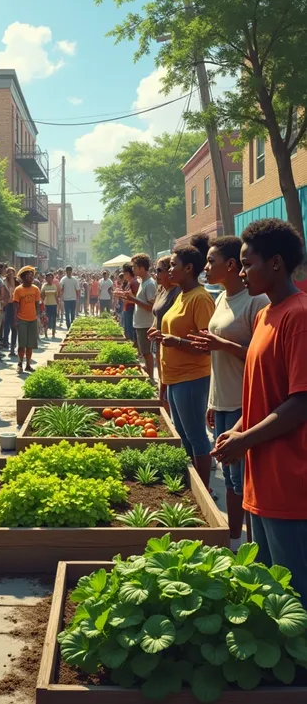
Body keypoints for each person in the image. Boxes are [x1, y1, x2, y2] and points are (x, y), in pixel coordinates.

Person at [213, 219, 307, 605]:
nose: (242, 271)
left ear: (276, 264)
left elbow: (301, 402)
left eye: (248, 263)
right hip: (260, 478)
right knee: (269, 591)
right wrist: (237, 428)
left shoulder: (298, 316)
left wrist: (245, 439)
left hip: (290, 482)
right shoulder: (266, 315)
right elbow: (264, 394)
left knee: (294, 596)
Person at [188, 237, 268, 551]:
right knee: (232, 479)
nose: (206, 268)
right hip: (222, 400)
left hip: (244, 404)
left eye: (211, 262)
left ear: (231, 265)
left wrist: (222, 345)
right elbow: (216, 355)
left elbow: (262, 355)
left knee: (242, 480)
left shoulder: (255, 302)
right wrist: (212, 399)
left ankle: (250, 547)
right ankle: (234, 542)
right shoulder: (222, 298)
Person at [149, 235, 215, 489]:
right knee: (185, 435)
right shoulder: (180, 295)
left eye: (174, 265)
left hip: (192, 377)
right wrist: (163, 336)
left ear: (189, 268)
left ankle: (204, 490)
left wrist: (176, 341)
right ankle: (194, 486)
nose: (170, 269)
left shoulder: (200, 298)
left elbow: (208, 345)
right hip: (174, 377)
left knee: (196, 436)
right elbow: (173, 331)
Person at [151, 256, 181, 409]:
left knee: (168, 384)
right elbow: (158, 314)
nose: (156, 274)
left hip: (171, 345)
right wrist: (154, 326)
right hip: (159, 342)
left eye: (159, 270)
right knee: (163, 380)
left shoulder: (177, 292)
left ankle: (170, 417)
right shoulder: (162, 289)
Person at [124, 254, 157, 380]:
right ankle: (149, 375)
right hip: (140, 323)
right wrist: (128, 298)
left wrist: (133, 299)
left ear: (142, 268)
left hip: (146, 324)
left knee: (147, 353)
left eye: (135, 267)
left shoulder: (150, 284)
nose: (133, 270)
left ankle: (151, 378)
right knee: (144, 352)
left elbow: (151, 307)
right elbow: (140, 302)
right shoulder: (143, 282)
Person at [13, 266, 41, 373]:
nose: (31, 277)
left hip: (33, 320)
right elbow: (15, 306)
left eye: (32, 276)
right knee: (22, 344)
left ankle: (28, 365)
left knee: (30, 345)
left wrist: (38, 318)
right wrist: (15, 320)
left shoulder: (35, 289)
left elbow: (37, 304)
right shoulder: (18, 290)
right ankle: (20, 363)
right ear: (23, 277)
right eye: (29, 276)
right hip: (22, 320)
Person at [121, 263, 139, 343]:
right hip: (127, 308)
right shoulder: (130, 282)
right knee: (128, 330)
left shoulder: (134, 282)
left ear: (128, 273)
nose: (123, 275)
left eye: (124, 273)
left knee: (131, 331)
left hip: (130, 308)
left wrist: (123, 297)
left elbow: (135, 299)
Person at [3, 267, 18, 356]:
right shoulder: (4, 281)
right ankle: (5, 342)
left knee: (14, 326)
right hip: (7, 305)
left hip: (15, 305)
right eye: (8, 272)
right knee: (6, 325)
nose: (10, 273)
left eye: (12, 272)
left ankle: (12, 348)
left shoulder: (17, 282)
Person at [41, 271, 59, 338]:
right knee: (46, 320)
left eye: (51, 278)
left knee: (54, 319)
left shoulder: (54, 286)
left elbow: (56, 296)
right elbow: (41, 296)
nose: (50, 279)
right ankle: (45, 335)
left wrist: (58, 305)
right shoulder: (44, 286)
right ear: (46, 279)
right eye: (48, 278)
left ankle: (53, 334)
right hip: (46, 305)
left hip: (53, 305)